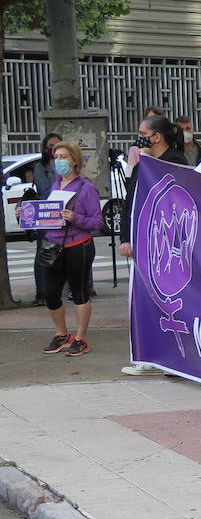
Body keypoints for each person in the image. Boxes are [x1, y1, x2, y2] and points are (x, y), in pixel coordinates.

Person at [118, 113, 187, 377]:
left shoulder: (177, 163)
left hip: (169, 248)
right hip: (143, 244)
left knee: (172, 300)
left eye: (142, 133)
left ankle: (175, 357)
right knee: (144, 301)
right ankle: (149, 354)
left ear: (155, 137)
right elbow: (129, 204)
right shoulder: (142, 166)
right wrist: (126, 238)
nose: (139, 138)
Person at [38, 142, 102, 358]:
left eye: (64, 156)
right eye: (56, 156)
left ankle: (81, 338)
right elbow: (45, 214)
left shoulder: (86, 189)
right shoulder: (54, 187)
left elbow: (97, 221)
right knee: (49, 292)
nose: (59, 161)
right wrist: (27, 214)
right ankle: (61, 334)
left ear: (74, 160)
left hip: (78, 246)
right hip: (53, 245)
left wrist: (76, 218)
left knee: (79, 293)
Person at [30, 132, 62, 306]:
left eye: (58, 145)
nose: (54, 149)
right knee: (44, 251)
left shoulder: (67, 164)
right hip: (46, 213)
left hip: (65, 213)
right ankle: (41, 292)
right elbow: (46, 191)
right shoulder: (40, 167)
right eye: (51, 146)